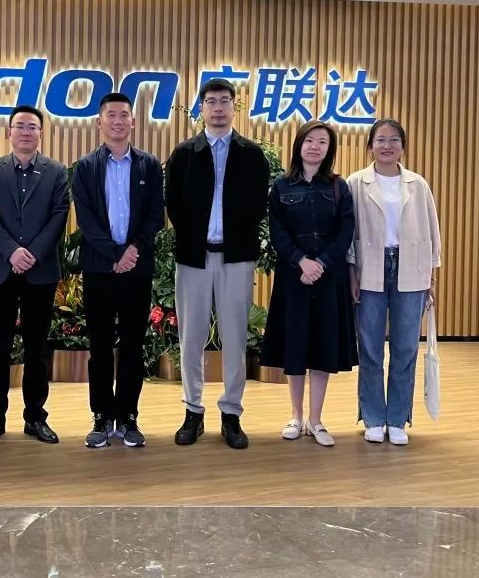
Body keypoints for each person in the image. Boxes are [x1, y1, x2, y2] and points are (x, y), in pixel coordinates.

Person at [165, 78, 270, 449]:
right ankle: (193, 410)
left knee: (235, 337)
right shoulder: (183, 153)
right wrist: (194, 235)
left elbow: (259, 205)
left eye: (225, 101)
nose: (218, 108)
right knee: (191, 337)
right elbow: (173, 204)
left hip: (236, 257)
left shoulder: (252, 154)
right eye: (211, 101)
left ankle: (231, 413)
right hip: (194, 257)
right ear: (202, 108)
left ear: (233, 106)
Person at [0, 105, 70, 446]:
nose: (26, 132)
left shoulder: (56, 171)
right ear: (9, 132)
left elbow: (59, 215)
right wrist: (12, 251)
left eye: (32, 127)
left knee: (37, 349)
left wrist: (32, 253)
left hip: (40, 271)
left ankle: (35, 418)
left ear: (41, 133)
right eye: (20, 126)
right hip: (0, 270)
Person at [72, 92, 165, 448]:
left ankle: (127, 416)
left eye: (124, 115)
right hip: (99, 268)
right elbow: (86, 219)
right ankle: (101, 415)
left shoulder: (149, 165)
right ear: (100, 122)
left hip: (137, 269)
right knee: (99, 346)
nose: (117, 121)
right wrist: (114, 254)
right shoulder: (85, 167)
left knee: (132, 345)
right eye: (111, 115)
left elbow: (155, 215)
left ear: (133, 121)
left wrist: (133, 251)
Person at [346, 118, 441, 447]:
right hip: (369, 267)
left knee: (405, 348)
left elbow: (431, 230)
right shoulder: (356, 183)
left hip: (411, 267)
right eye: (381, 140)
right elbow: (348, 232)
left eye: (394, 140)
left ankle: (398, 418)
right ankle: (373, 417)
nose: (387, 146)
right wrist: (351, 271)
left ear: (403, 146)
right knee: (370, 348)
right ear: (370, 146)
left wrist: (431, 275)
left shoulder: (418, 184)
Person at [261, 121, 356, 447]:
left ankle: (316, 419)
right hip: (293, 275)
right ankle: (296, 415)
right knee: (296, 343)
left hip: (329, 277)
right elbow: (277, 232)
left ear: (330, 149)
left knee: (322, 344)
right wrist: (301, 261)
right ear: (299, 144)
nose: (315, 147)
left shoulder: (339, 187)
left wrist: (321, 263)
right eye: (310, 140)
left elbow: (345, 232)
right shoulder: (281, 186)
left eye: (323, 142)